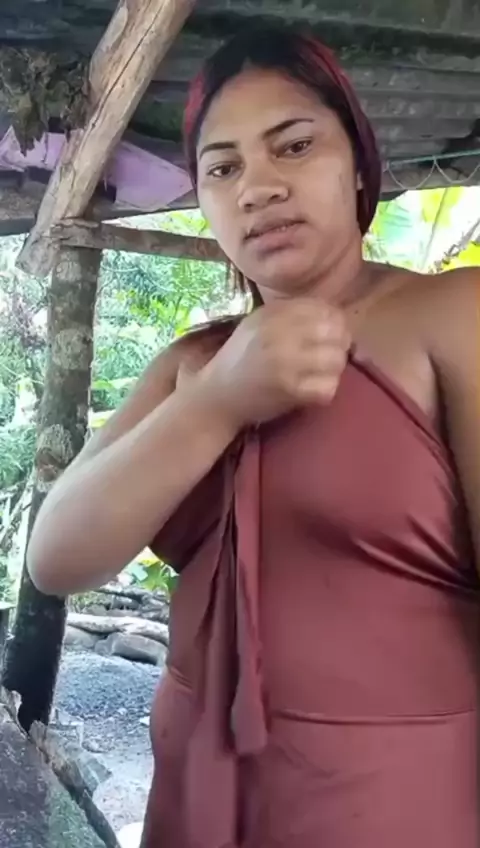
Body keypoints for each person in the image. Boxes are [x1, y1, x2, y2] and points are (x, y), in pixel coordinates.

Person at [27, 22, 480, 848]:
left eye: (295, 146)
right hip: (191, 799)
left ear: (358, 166)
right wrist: (217, 404)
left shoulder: (455, 314)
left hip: (394, 807)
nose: (258, 187)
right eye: (223, 168)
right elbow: (56, 558)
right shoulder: (193, 363)